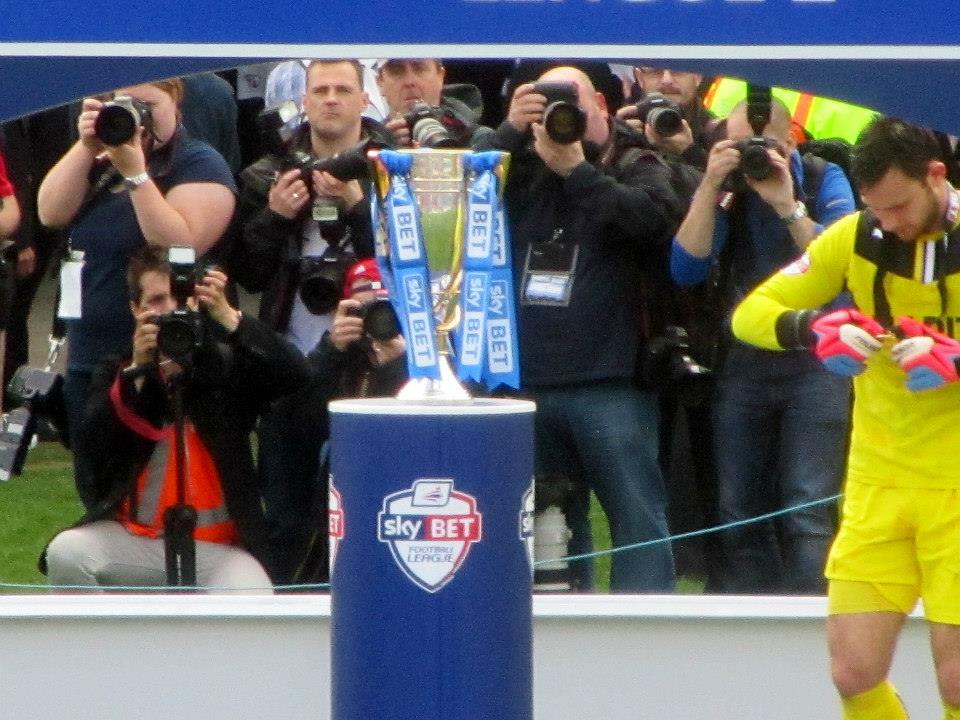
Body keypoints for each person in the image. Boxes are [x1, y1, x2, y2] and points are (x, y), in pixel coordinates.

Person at [730, 117, 960, 718]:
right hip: (878, 483)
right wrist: (813, 328)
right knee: (853, 672)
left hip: (957, 490)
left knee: (958, 682)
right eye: (876, 209)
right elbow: (750, 315)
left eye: (899, 206)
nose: (890, 222)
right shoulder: (856, 236)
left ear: (937, 175)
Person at [477, 65, 686, 592]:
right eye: (544, 103)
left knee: (636, 516)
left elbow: (656, 220)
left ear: (600, 104)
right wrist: (509, 132)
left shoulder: (634, 158)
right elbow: (460, 200)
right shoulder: (515, 165)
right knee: (548, 523)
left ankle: (641, 627)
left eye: (570, 102)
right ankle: (560, 621)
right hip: (528, 380)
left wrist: (576, 170)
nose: (558, 114)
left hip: (610, 380)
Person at [42, 247, 310, 592]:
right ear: (135, 309)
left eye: (179, 298)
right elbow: (91, 448)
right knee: (66, 553)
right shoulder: (118, 371)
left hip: (220, 549)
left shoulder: (225, 366)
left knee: (253, 598)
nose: (169, 309)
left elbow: (296, 375)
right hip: (138, 541)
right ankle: (112, 628)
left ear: (197, 301)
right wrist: (138, 374)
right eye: (156, 300)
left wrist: (230, 317)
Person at [671, 98, 856, 594]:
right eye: (737, 145)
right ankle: (753, 615)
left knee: (807, 506)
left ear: (791, 141)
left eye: (763, 145)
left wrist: (786, 204)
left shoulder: (822, 176)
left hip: (817, 361)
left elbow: (842, 265)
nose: (751, 156)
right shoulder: (726, 190)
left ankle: (812, 617)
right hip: (743, 363)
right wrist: (710, 185)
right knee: (738, 509)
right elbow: (685, 267)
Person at [37, 78, 237, 510]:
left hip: (169, 357)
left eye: (148, 104)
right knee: (98, 489)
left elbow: (178, 247)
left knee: (161, 490)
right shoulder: (101, 161)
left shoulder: (197, 162)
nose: (136, 116)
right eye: (123, 104)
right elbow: (50, 212)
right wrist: (87, 146)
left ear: (176, 102)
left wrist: (137, 173)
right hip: (91, 356)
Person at [231, 59, 394, 585]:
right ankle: (286, 611)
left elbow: (408, 269)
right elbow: (248, 275)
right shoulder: (268, 174)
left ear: (364, 100)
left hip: (372, 367)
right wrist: (275, 216)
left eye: (343, 89)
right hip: (292, 367)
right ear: (303, 101)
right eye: (320, 90)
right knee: (285, 518)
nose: (330, 99)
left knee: (367, 515)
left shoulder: (391, 169)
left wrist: (357, 207)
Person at [290, 258, 409, 582]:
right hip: (344, 494)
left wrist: (398, 365)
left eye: (384, 310)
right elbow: (301, 421)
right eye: (363, 310)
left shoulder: (424, 359)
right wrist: (331, 350)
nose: (375, 320)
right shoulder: (340, 358)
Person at [374, 58, 492, 148]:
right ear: (380, 82)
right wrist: (384, 150)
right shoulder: (371, 144)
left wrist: (445, 145)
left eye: (419, 68)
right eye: (396, 71)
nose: (409, 81)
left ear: (441, 76)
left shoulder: (480, 141)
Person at [616, 65, 717, 170]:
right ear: (640, 78)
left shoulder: (718, 133)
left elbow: (723, 179)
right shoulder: (628, 122)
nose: (667, 80)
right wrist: (615, 137)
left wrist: (691, 152)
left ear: (697, 77)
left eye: (678, 70)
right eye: (655, 71)